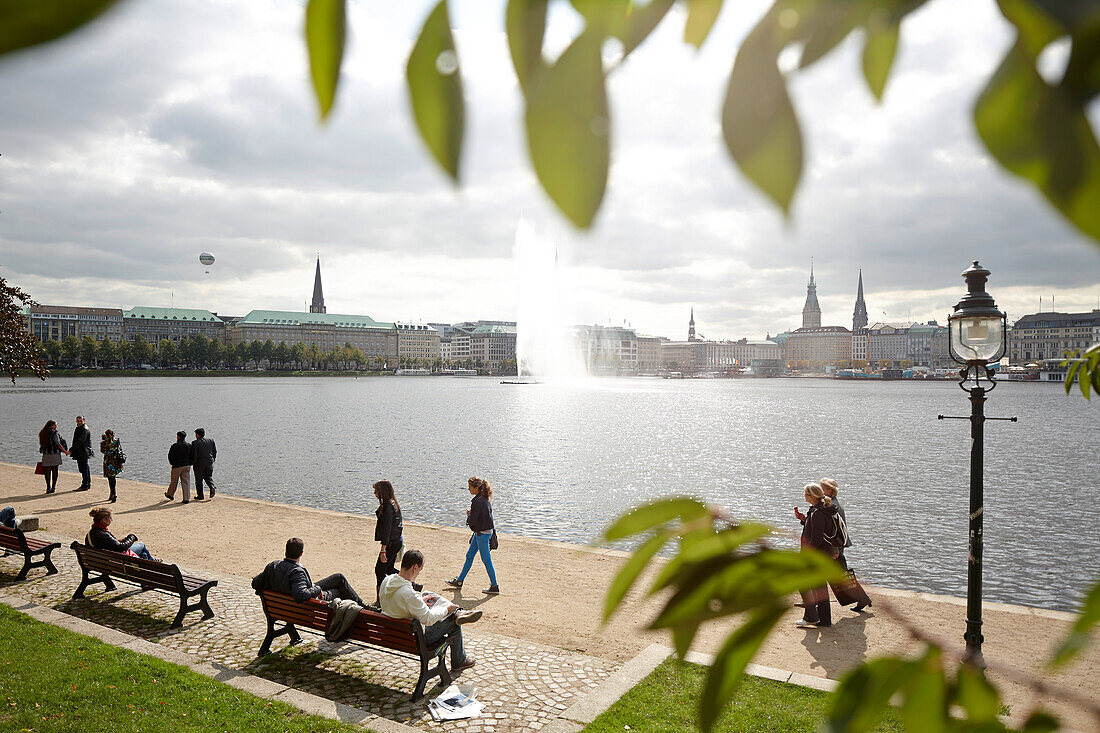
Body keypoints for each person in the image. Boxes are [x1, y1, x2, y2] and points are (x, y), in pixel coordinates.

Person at [380, 549, 480, 673]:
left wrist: (420, 600)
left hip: (390, 632)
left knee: (427, 594)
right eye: (419, 570)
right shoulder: (409, 594)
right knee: (453, 623)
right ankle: (459, 661)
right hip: (413, 639)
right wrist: (446, 609)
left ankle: (458, 612)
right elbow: (428, 619)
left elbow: (398, 602)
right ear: (415, 567)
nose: (418, 574)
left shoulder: (387, 581)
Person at [251, 537, 365, 605]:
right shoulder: (297, 572)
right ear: (301, 553)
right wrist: (317, 589)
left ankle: (362, 605)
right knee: (339, 591)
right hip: (310, 602)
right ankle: (363, 609)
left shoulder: (273, 565)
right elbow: (300, 595)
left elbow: (255, 582)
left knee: (339, 577)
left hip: (284, 604)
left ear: (285, 552)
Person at [820, 478, 872, 612]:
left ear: (829, 491)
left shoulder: (832, 506)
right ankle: (863, 598)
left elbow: (835, 529)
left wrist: (835, 550)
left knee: (842, 576)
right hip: (836, 547)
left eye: (822, 488)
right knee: (842, 575)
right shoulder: (833, 503)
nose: (820, 490)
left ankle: (863, 598)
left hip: (835, 548)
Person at [445, 477, 499, 595]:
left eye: (470, 487)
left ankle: (494, 586)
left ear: (476, 488)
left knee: (486, 560)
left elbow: (473, 522)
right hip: (483, 532)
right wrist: (473, 514)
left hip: (481, 534)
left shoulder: (477, 501)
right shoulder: (485, 499)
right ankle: (459, 581)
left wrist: (469, 516)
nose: (468, 489)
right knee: (469, 556)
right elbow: (484, 516)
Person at [794, 483, 833, 628]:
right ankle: (825, 619)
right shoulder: (821, 510)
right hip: (823, 555)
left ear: (811, 496)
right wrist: (804, 520)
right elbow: (819, 531)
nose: (804, 496)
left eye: (805, 494)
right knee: (819, 587)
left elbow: (816, 538)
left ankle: (811, 616)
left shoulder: (817, 513)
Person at [373, 480, 404, 600]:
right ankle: (411, 584)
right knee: (389, 569)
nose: (375, 493)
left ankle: (380, 599)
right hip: (397, 541)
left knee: (379, 570)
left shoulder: (388, 507)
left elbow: (387, 530)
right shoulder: (393, 504)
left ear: (382, 492)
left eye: (376, 491)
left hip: (392, 543)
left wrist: (383, 550)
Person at [86, 507, 155, 560]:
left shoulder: (90, 533)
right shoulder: (103, 534)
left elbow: (109, 544)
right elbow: (121, 547)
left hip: (103, 561)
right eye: (110, 518)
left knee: (144, 555)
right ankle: (152, 562)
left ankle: (151, 562)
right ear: (104, 520)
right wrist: (132, 538)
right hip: (117, 560)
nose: (111, 520)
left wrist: (119, 541)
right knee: (141, 545)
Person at [38, 419, 69, 494]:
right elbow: (58, 444)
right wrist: (65, 451)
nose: (56, 426)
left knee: (47, 471)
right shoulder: (54, 433)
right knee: (55, 471)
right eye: (55, 425)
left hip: (46, 454)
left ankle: (48, 487)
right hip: (54, 454)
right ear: (51, 426)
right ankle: (53, 487)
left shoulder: (42, 433)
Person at [165, 431, 192, 503]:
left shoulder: (175, 446)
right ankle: (186, 498)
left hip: (177, 466)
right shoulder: (189, 445)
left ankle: (170, 494)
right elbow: (192, 455)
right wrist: (190, 463)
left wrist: (172, 463)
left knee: (174, 481)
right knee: (186, 482)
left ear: (178, 437)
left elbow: (170, 456)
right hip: (186, 465)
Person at [190, 427, 217, 500]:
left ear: (198, 435)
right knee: (208, 476)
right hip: (209, 461)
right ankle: (212, 487)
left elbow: (194, 454)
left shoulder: (195, 443)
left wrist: (193, 463)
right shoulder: (211, 440)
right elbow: (214, 451)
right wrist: (213, 459)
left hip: (199, 463)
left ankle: (200, 495)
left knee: (199, 480)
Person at [100, 429, 124, 503]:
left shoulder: (103, 443)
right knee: (113, 478)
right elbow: (119, 450)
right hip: (115, 462)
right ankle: (113, 493)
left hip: (108, 462)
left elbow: (102, 451)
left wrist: (104, 440)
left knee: (110, 479)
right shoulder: (116, 442)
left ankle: (112, 493)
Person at [70, 415, 93, 492]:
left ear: (84, 420)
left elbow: (80, 441)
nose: (79, 423)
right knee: (83, 468)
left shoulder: (84, 429)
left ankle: (85, 484)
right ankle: (86, 484)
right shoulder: (79, 428)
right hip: (80, 451)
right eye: (78, 421)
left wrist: (71, 449)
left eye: (80, 421)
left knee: (84, 467)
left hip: (83, 451)